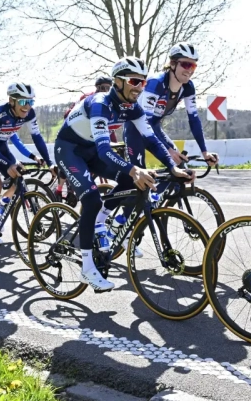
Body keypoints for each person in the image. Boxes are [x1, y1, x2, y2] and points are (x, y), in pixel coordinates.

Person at [55, 56, 194, 292]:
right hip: (70, 150)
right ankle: (87, 268)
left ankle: (100, 223)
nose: (139, 87)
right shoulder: (100, 103)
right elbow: (103, 149)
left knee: (130, 179)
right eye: (133, 81)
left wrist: (172, 167)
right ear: (117, 82)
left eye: (143, 82)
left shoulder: (133, 107)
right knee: (90, 198)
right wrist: (134, 168)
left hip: (90, 150)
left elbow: (151, 139)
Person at [0, 82, 56, 245]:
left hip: (0, 145)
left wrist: (50, 163)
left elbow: (37, 137)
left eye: (31, 102)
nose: (27, 106)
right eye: (23, 102)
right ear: (11, 100)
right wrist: (8, 164)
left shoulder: (29, 114)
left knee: (18, 175)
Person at [125, 42, 218, 171]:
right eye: (186, 64)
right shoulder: (155, 83)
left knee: (181, 169)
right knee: (140, 178)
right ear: (173, 64)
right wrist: (168, 150)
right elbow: (145, 123)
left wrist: (204, 152)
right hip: (136, 130)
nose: (189, 70)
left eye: (193, 66)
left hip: (155, 130)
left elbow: (194, 120)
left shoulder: (188, 87)